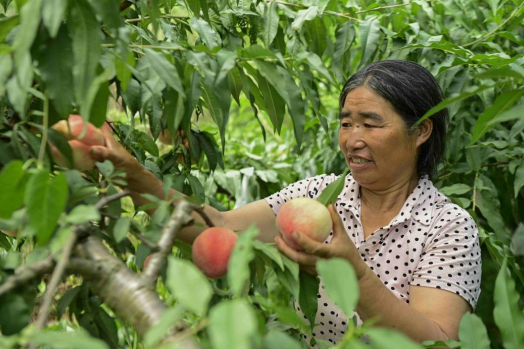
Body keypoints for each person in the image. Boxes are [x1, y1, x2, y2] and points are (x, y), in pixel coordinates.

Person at [88, 60, 481, 345]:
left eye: (371, 123)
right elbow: (219, 227)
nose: (352, 139)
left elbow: (439, 341)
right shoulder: (319, 196)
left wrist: (356, 276)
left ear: (421, 131)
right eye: (346, 123)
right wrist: (133, 176)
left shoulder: (447, 226)